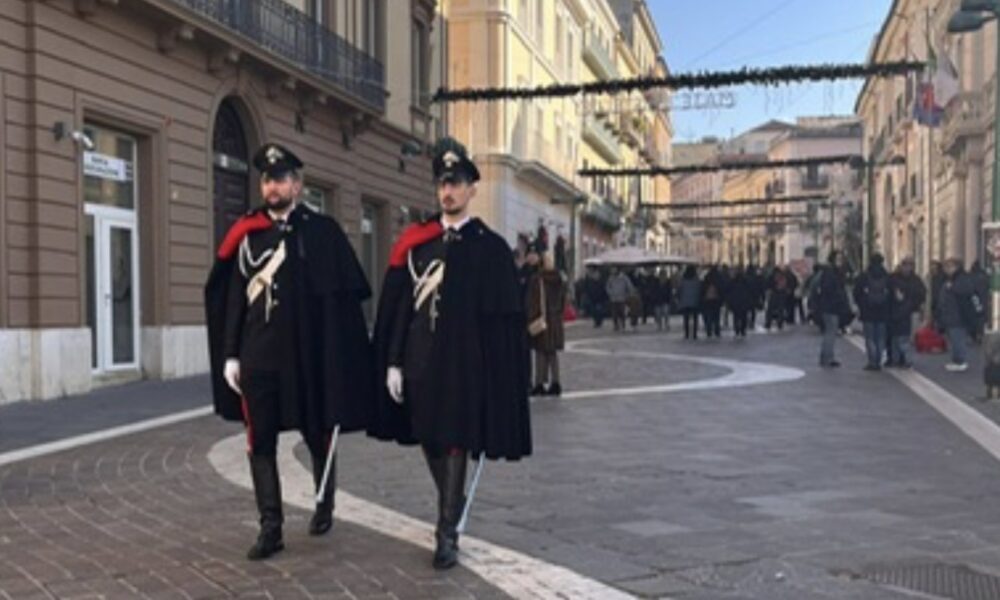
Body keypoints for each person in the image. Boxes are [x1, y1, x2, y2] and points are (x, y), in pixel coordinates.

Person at [204, 144, 374, 560]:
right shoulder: (246, 234)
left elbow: (343, 299)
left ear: (297, 185)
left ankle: (324, 500)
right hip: (259, 356)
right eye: (267, 179)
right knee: (259, 440)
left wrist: (339, 352)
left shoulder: (322, 232)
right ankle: (271, 527)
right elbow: (234, 300)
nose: (272, 187)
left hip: (307, 356)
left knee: (316, 431)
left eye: (280, 179)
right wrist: (230, 355)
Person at [369, 137, 532, 570]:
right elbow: (400, 309)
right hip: (420, 360)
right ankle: (452, 500)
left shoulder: (489, 248)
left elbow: (503, 322)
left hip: (465, 365)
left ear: (471, 189)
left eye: (456, 183)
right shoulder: (417, 244)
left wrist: (497, 371)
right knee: (429, 436)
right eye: (443, 183)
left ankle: (446, 534)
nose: (448, 191)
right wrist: (393, 361)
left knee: (456, 438)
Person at [527, 251, 567, 396]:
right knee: (552, 353)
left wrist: (530, 318)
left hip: (542, 318)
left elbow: (533, 302)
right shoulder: (559, 279)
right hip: (555, 320)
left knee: (540, 352)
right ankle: (555, 382)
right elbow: (563, 301)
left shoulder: (537, 279)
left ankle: (539, 383)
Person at [854, 254, 893, 371]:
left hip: (868, 311)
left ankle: (872, 361)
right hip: (883, 312)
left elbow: (856, 293)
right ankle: (878, 360)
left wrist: (861, 305)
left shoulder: (864, 276)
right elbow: (891, 294)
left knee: (869, 338)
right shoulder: (887, 277)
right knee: (880, 338)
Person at [888, 257, 927, 369]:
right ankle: (897, 360)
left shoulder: (915, 280)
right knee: (896, 338)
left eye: (910, 266)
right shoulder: (894, 279)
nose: (907, 268)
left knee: (904, 338)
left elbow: (921, 294)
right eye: (905, 265)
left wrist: (912, 303)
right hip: (896, 312)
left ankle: (905, 360)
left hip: (908, 312)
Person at [938, 258, 976, 372]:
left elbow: (966, 291)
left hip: (958, 315)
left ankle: (960, 361)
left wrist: (952, 288)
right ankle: (956, 360)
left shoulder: (961, 279)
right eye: (946, 267)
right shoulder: (951, 279)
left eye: (949, 267)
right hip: (952, 314)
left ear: (956, 267)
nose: (947, 269)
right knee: (954, 338)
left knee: (958, 338)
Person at [817, 251, 851, 368]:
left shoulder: (831, 272)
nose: (840, 261)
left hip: (830, 307)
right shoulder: (831, 273)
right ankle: (827, 358)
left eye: (841, 259)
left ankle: (827, 356)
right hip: (831, 307)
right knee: (830, 332)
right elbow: (831, 290)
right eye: (838, 259)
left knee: (830, 332)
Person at [727, 267, 754, 339]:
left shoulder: (733, 281)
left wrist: (729, 301)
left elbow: (729, 291)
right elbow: (750, 291)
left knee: (736, 316)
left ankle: (737, 330)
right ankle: (742, 330)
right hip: (744, 301)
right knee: (743, 316)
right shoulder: (746, 281)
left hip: (735, 301)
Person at [677, 265, 702, 340]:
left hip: (685, 302)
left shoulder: (683, 280)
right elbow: (699, 290)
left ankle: (687, 333)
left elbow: (679, 290)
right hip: (695, 301)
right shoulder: (696, 280)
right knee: (695, 318)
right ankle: (694, 333)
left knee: (686, 318)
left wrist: (680, 298)